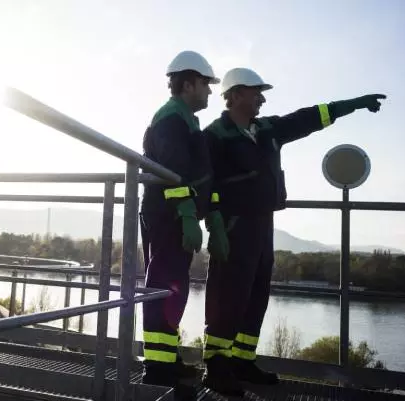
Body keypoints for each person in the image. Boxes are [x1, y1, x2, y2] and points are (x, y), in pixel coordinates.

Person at [200, 67, 386, 395]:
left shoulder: (268, 128)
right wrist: (214, 223)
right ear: (236, 94)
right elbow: (205, 182)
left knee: (256, 295)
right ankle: (216, 365)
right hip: (233, 226)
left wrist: (352, 105)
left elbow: (309, 117)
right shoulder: (216, 135)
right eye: (257, 91)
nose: (262, 98)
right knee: (227, 295)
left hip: (263, 223)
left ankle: (242, 360)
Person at [139, 50, 230, 394]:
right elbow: (173, 173)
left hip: (177, 216)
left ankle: (166, 358)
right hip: (168, 216)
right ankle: (157, 368)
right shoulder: (171, 118)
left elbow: (198, 177)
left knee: (172, 289)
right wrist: (189, 214)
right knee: (163, 286)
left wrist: (211, 216)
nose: (209, 92)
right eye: (205, 84)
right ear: (188, 83)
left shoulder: (187, 121)